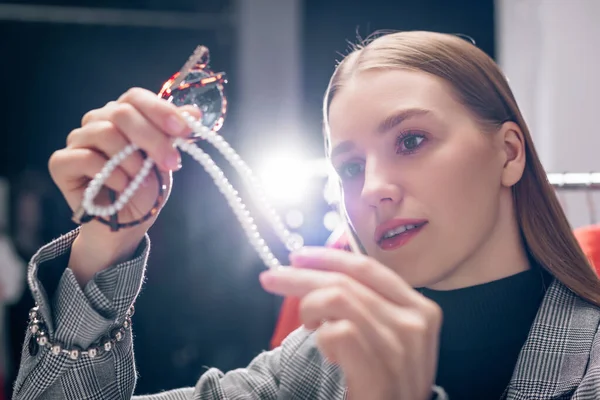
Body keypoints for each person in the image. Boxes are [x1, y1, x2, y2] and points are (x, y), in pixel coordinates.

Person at [12, 30, 600, 400]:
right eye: (347, 168)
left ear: (508, 153)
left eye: (411, 141)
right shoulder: (317, 359)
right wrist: (102, 247)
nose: (371, 189)